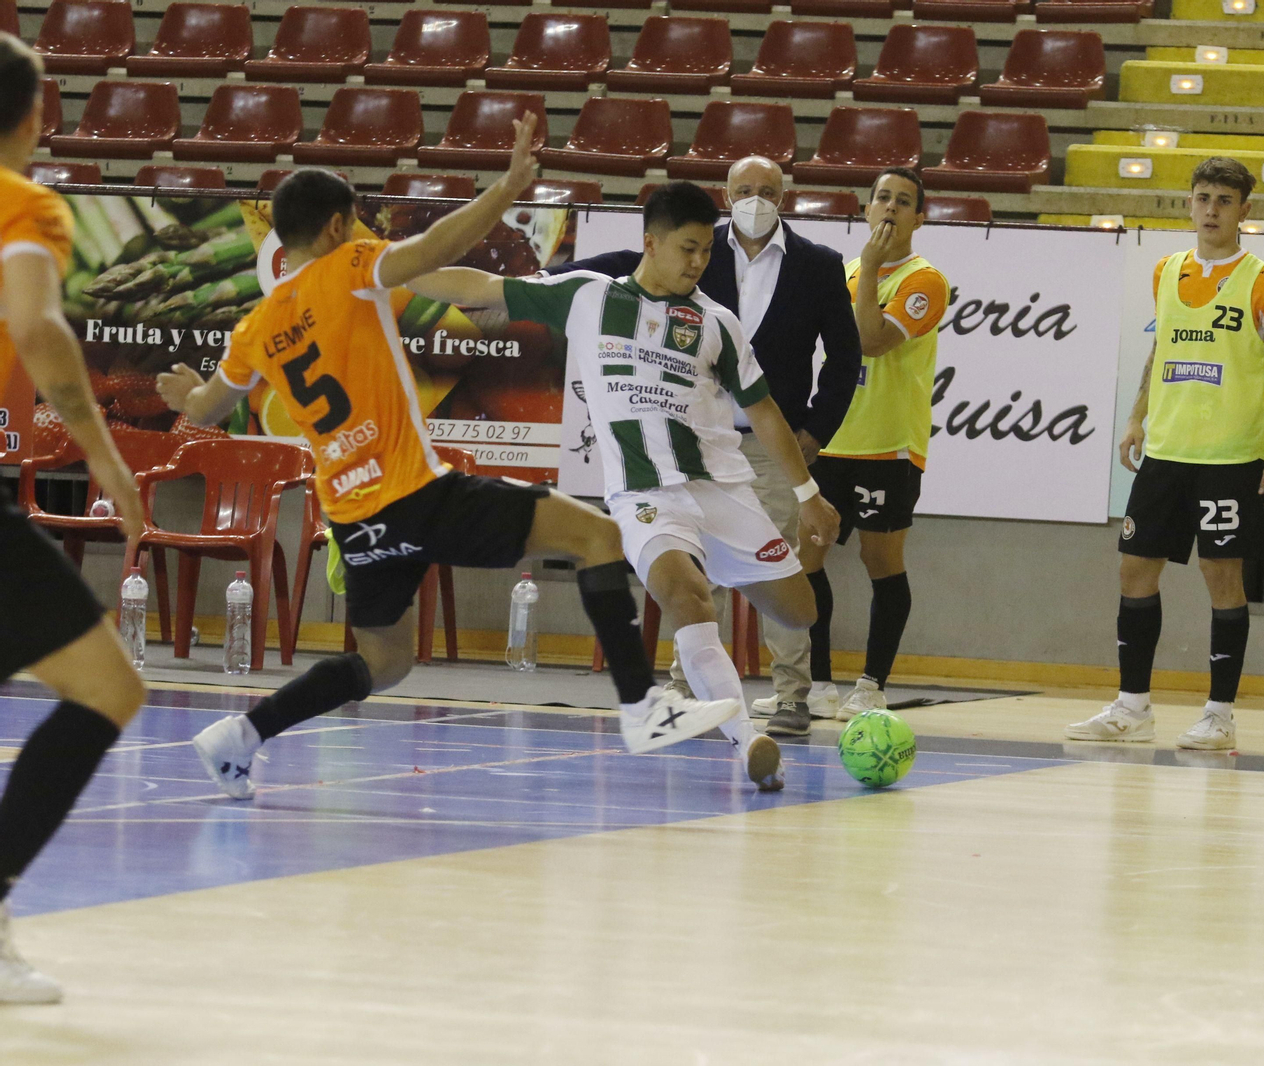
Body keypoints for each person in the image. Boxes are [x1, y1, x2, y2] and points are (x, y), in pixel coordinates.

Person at [160, 134, 744, 802]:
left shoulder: (257, 327)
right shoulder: (350, 264)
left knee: (386, 661)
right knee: (598, 538)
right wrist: (504, 191)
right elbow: (431, 251)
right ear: (335, 226)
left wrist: (188, 396)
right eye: (354, 221)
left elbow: (209, 407)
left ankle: (241, 735)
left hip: (352, 516)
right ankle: (643, 708)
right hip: (415, 492)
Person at [406, 182, 841, 791]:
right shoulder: (588, 296)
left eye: (704, 254)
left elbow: (765, 412)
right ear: (650, 243)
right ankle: (750, 742)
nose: (697, 262)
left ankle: (736, 621)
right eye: (687, 249)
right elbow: (477, 290)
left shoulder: (716, 323)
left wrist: (806, 494)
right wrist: (391, 270)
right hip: (645, 498)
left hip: (722, 492)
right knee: (685, 593)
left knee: (801, 614)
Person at [545, 156, 862, 737]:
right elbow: (615, 270)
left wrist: (812, 438)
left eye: (767, 190)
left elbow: (844, 359)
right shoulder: (694, 249)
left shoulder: (818, 265)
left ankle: (792, 692)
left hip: (772, 443)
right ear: (727, 193)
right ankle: (689, 693)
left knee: (792, 598)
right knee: (687, 579)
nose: (755, 199)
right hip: (686, 444)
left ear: (784, 195)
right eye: (745, 189)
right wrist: (548, 277)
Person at [0, 33, 148, 1003]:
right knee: (109, 687)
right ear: (36, 112)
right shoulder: (29, 207)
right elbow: (36, 321)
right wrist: (102, 452)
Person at [1066, 156, 1264, 751]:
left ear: (1245, 211)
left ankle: (1220, 715)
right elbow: (1163, 350)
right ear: (1189, 204)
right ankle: (1132, 707)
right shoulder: (1166, 270)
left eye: (1225, 201)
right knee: (1133, 571)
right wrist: (1136, 417)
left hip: (1231, 458)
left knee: (1222, 577)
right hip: (1166, 454)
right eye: (1203, 198)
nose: (1211, 210)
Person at [801, 167, 949, 721]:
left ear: (919, 216)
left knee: (880, 561)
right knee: (805, 557)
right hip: (832, 439)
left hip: (888, 446)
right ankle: (815, 685)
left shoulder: (925, 280)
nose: (890, 208)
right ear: (866, 208)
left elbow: (869, 341)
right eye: (882, 197)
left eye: (903, 201)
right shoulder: (840, 272)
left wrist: (868, 272)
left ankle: (871, 684)